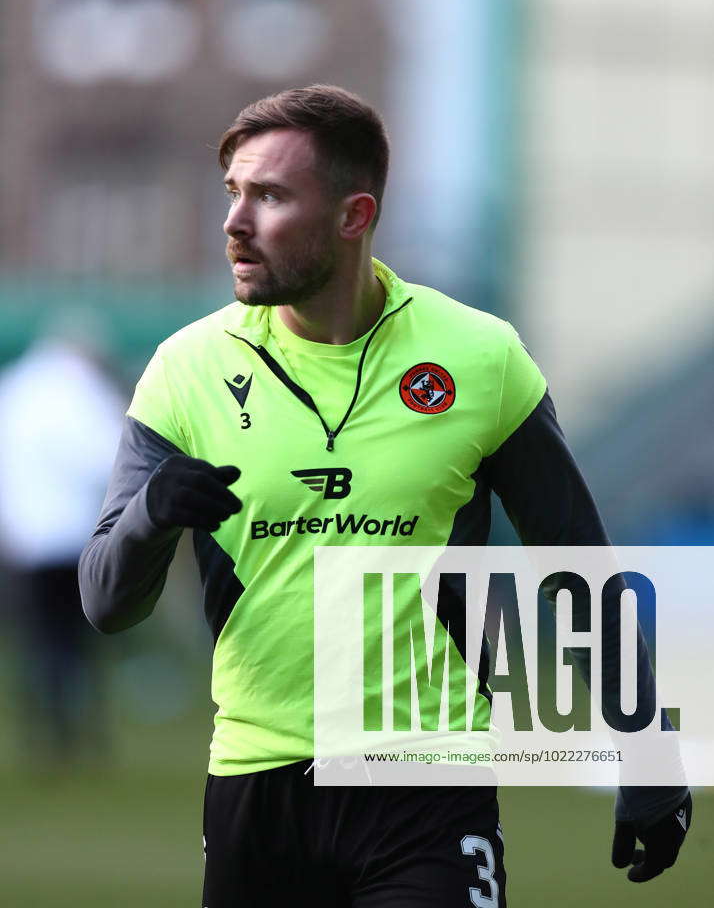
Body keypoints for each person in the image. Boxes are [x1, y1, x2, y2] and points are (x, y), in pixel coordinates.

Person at [79, 85, 691, 906]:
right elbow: (106, 603)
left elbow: (574, 563)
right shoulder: (185, 373)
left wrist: (647, 753)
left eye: (271, 196)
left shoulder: (479, 358)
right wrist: (152, 515)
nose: (235, 222)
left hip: (425, 783)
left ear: (352, 215)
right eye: (234, 193)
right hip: (258, 787)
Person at [0, 313, 124, 760]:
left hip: (24, 537)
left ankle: (43, 736)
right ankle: (80, 736)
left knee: (38, 640)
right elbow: (108, 458)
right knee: (79, 641)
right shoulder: (83, 393)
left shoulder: (14, 389)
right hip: (77, 536)